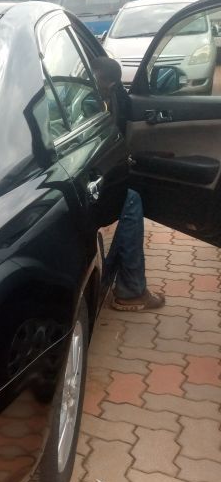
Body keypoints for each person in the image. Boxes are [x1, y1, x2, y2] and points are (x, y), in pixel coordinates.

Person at [90, 57, 166, 311]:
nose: (90, 82)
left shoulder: (96, 98)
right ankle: (131, 289)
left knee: (129, 197)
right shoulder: (88, 100)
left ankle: (125, 283)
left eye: (94, 78)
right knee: (129, 198)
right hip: (79, 179)